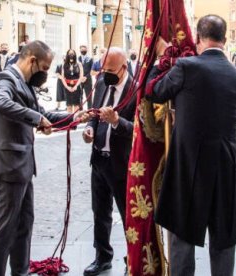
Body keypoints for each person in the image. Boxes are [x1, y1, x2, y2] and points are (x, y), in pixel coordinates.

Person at [148, 15, 236, 276]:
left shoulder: (187, 67)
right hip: (227, 163)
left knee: (182, 234)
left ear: (199, 39)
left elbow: (153, 91)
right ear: (225, 40)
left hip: (190, 162)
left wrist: (161, 58)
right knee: (224, 238)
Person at [0, 40, 77, 276]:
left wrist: (76, 118)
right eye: (45, 68)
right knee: (3, 233)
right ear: (32, 60)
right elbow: (1, 103)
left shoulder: (24, 84)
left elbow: (43, 114)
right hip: (7, 168)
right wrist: (35, 118)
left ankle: (21, 272)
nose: (46, 73)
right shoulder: (5, 79)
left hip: (23, 168)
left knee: (24, 227)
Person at [82, 47, 136, 276]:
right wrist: (89, 128)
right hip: (99, 160)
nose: (105, 74)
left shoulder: (136, 91)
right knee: (100, 212)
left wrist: (116, 121)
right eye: (103, 69)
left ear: (124, 67)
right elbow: (94, 114)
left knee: (127, 215)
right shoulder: (102, 83)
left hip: (122, 163)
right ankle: (102, 257)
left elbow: (140, 132)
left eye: (111, 70)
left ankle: (132, 260)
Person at [62, 49, 84, 113]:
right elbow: (63, 78)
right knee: (69, 105)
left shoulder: (79, 64)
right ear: (67, 55)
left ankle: (75, 121)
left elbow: (81, 76)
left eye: (72, 53)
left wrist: (76, 86)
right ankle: (69, 121)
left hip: (76, 86)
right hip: (67, 87)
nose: (71, 55)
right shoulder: (64, 64)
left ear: (75, 55)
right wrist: (67, 87)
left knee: (76, 105)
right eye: (69, 53)